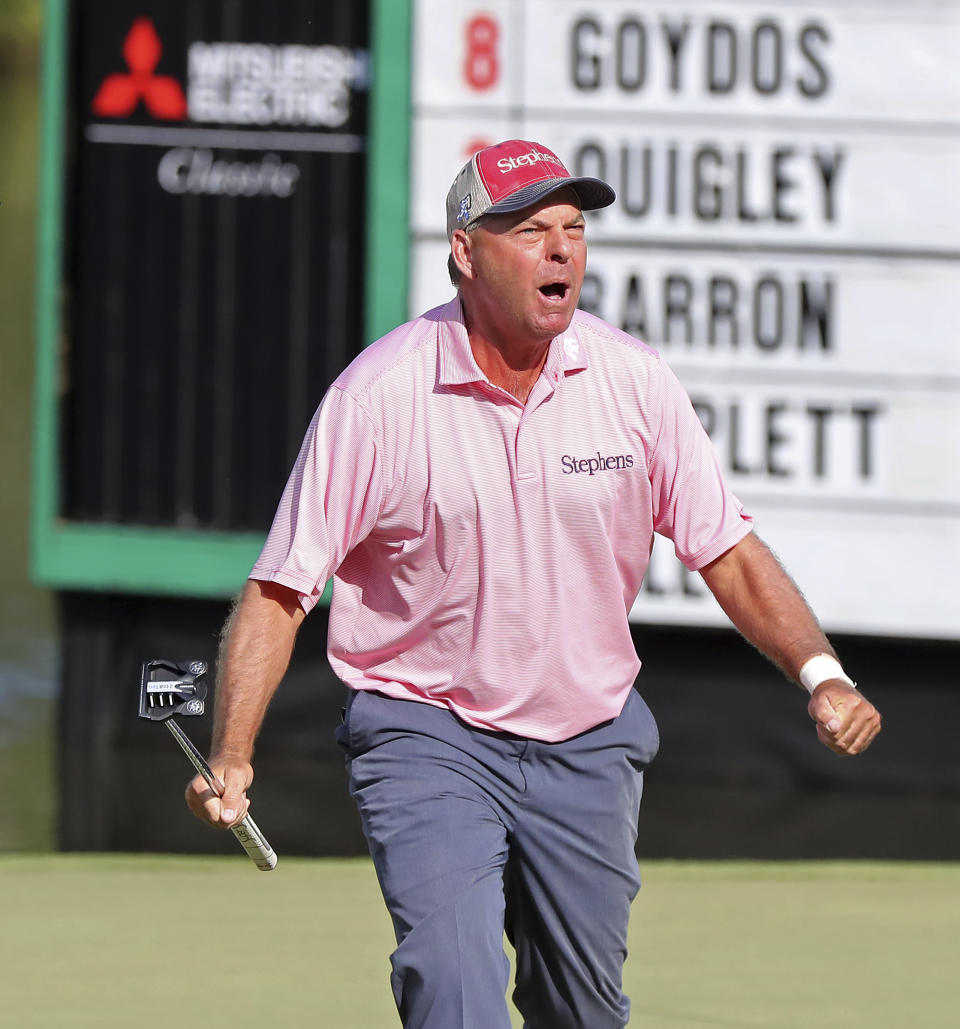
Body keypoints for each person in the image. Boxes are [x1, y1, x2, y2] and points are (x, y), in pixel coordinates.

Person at [186, 139, 882, 1028]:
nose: (561, 249)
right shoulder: (378, 396)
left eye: (574, 228)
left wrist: (822, 675)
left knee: (580, 1008)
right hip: (426, 727)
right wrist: (234, 750)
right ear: (466, 253)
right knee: (453, 985)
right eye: (530, 230)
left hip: (587, 735)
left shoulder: (632, 379)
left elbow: (729, 550)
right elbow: (282, 588)